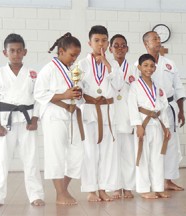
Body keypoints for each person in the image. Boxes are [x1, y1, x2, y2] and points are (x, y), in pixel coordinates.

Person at [0, 33, 45, 208]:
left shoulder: (33, 74)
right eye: (12, 51)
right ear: (5, 53)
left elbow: (39, 98)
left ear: (25, 52)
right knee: (2, 160)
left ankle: (35, 195)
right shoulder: (0, 74)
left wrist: (35, 119)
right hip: (5, 122)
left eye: (19, 50)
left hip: (27, 122)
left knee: (31, 159)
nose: (16, 54)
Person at [34, 32, 84, 205]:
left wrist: (79, 94)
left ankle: (62, 188)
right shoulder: (48, 70)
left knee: (78, 153)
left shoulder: (73, 70)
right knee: (55, 154)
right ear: (61, 51)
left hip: (71, 115)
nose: (74, 59)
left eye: (77, 55)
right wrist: (64, 94)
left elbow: (79, 92)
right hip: (54, 115)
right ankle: (60, 194)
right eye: (72, 55)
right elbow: (39, 93)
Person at [77, 25, 123, 202]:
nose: (101, 44)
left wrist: (107, 65)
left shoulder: (113, 65)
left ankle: (103, 188)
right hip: (89, 111)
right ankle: (90, 189)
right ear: (90, 43)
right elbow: (77, 88)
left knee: (107, 153)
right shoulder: (81, 64)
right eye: (97, 40)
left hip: (107, 112)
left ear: (108, 43)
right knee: (90, 152)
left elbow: (119, 86)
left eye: (104, 40)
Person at [141, 31, 186, 191]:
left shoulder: (170, 64)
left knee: (171, 144)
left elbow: (178, 87)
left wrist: (181, 110)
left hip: (169, 107)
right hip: (149, 111)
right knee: (152, 145)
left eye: (159, 38)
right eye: (155, 39)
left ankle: (168, 180)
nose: (158, 41)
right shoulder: (139, 65)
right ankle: (152, 180)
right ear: (146, 44)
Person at [128, 54, 171, 199]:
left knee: (158, 156)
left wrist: (166, 127)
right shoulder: (134, 86)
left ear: (155, 68)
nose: (149, 68)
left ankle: (158, 187)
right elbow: (132, 107)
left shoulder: (158, 87)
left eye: (152, 66)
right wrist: (137, 125)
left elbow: (163, 107)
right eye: (145, 65)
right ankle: (144, 188)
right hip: (143, 124)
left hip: (157, 123)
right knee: (143, 157)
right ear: (139, 67)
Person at [109, 34, 138, 198]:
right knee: (112, 154)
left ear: (127, 48)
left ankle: (128, 187)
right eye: (116, 45)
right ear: (110, 48)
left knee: (128, 153)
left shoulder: (134, 69)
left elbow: (138, 95)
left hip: (128, 116)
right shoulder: (105, 67)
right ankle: (114, 186)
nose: (120, 48)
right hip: (112, 115)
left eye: (123, 45)